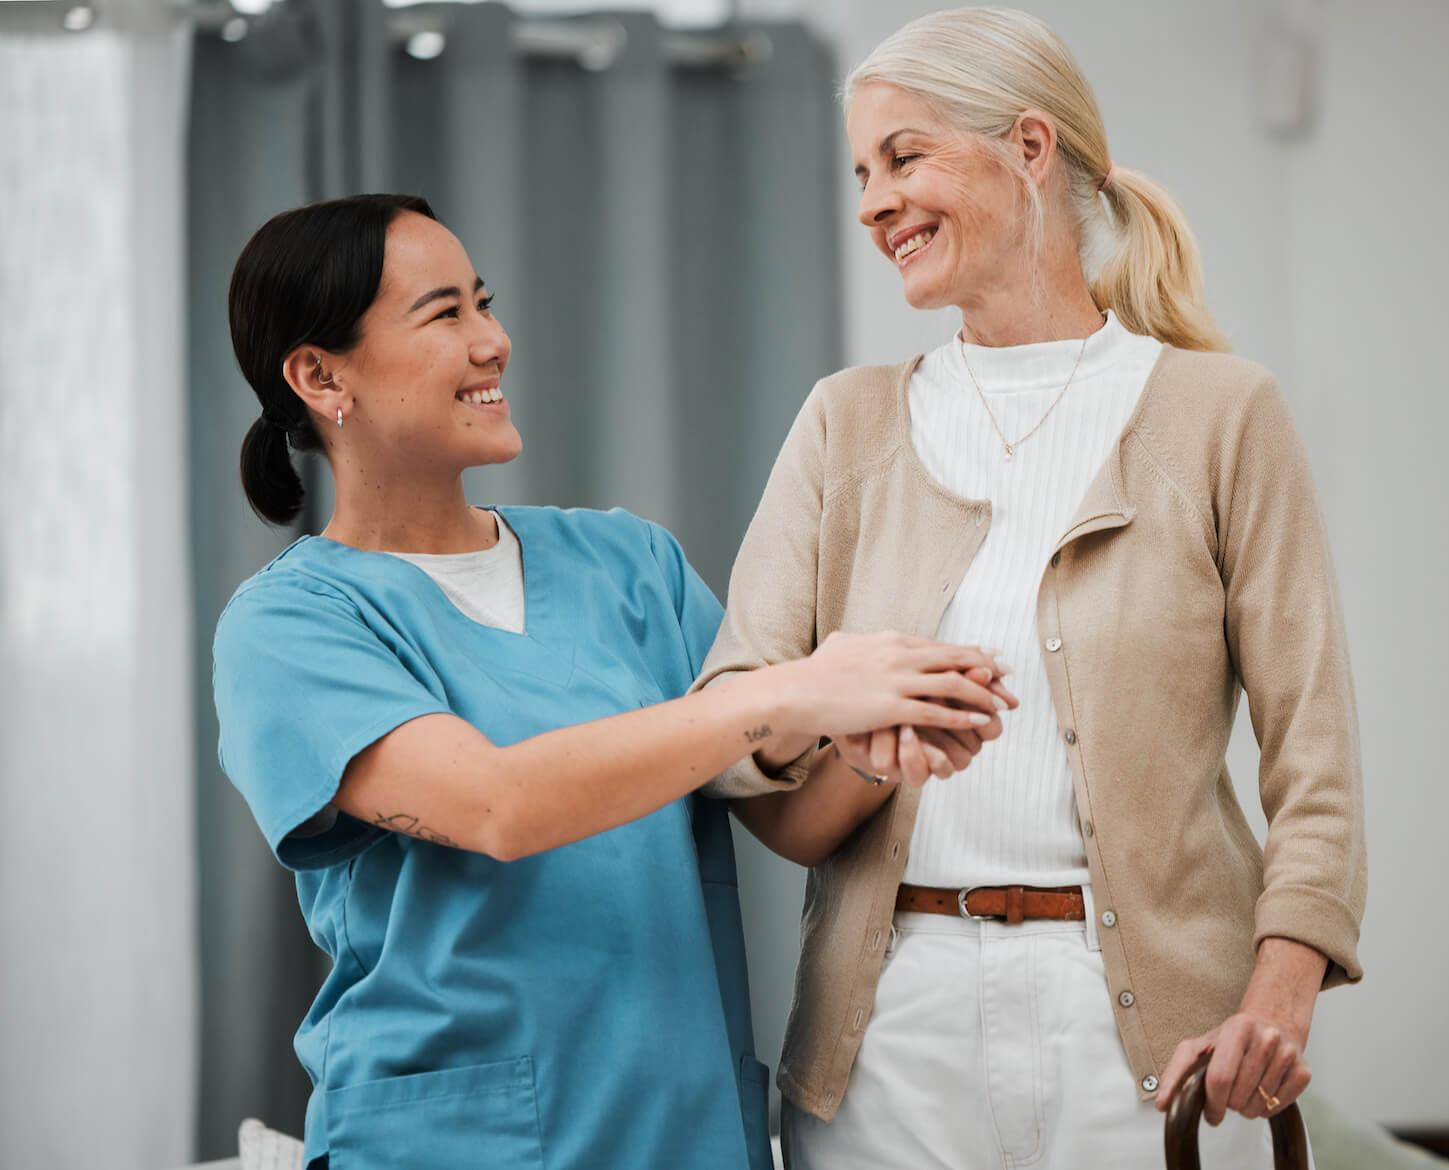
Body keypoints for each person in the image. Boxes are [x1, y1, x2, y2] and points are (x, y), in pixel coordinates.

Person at [211, 193, 1011, 1170]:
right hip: (450, 1143)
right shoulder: (291, 625)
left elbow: (786, 820)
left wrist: (896, 737)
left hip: (683, 1131)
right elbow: (496, 805)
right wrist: (786, 692)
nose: (494, 341)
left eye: (485, 303)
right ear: (319, 374)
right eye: (445, 314)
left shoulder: (631, 564)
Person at [694, 9, 1366, 1168]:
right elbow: (737, 718)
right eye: (862, 173)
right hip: (889, 1035)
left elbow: (1316, 749)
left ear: (1029, 148)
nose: (871, 204)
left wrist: (1284, 983)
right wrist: (856, 746)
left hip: (1158, 1042)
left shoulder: (1220, 415)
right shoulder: (841, 422)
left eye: (904, 158)